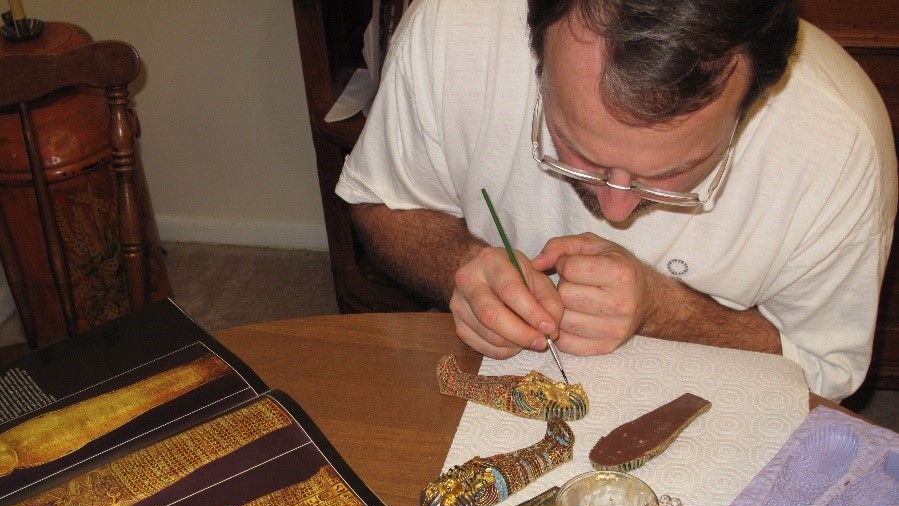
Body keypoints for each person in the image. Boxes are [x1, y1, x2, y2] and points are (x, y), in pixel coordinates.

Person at [335, 0, 897, 401]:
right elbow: (383, 202)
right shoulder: (456, 26)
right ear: (535, 52)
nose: (614, 211)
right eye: (576, 151)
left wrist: (664, 311)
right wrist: (460, 266)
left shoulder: (838, 147)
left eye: (674, 172)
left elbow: (824, 370)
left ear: (755, 100)